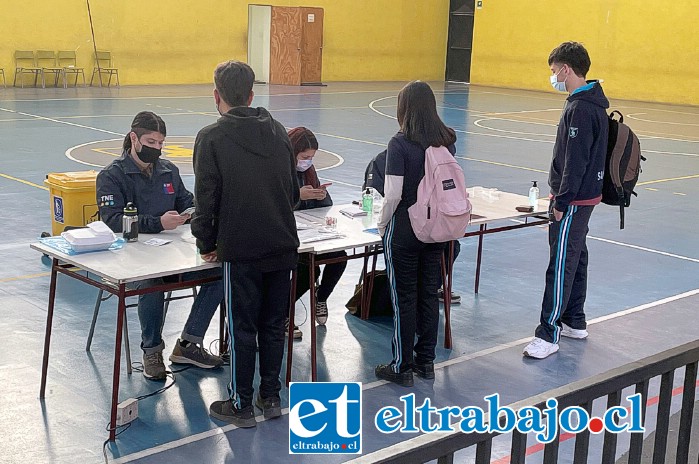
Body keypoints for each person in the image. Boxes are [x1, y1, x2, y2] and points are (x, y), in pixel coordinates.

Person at [191, 61, 299, 427]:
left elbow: (205, 199)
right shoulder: (280, 131)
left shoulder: (211, 138)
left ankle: (241, 403)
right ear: (252, 95)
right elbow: (294, 193)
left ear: (217, 95)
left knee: (242, 328)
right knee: (274, 324)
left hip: (240, 250)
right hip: (282, 244)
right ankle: (271, 397)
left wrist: (206, 241)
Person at [96, 111, 224, 380]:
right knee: (151, 283)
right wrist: (157, 223)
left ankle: (189, 343)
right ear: (134, 138)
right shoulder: (112, 176)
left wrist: (191, 212)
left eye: (160, 143)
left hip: (170, 253)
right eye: (150, 142)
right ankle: (152, 350)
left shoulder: (168, 170)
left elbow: (186, 200)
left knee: (219, 273)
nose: (156, 148)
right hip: (130, 261)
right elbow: (112, 220)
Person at [523, 42, 609, 359]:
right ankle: (575, 319)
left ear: (565, 69)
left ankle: (549, 333)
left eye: (554, 71)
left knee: (560, 263)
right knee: (576, 255)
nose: (554, 78)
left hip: (573, 201)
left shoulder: (581, 109)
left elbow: (575, 162)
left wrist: (561, 201)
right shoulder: (590, 103)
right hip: (584, 197)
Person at [375, 81, 458, 387]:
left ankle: (402, 365)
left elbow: (393, 194)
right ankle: (426, 361)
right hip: (436, 228)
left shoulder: (400, 143)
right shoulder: (447, 140)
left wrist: (383, 225)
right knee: (427, 294)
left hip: (406, 228)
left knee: (403, 297)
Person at [364, 149, 462, 304]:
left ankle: (431, 287)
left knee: (451, 245)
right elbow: (376, 194)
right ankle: (414, 293)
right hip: (398, 222)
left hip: (425, 221)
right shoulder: (385, 159)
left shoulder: (435, 158)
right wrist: (383, 222)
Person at [288, 127, 347, 333]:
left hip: (310, 232)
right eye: (305, 157)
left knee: (339, 257)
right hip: (286, 234)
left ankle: (321, 297)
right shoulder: (278, 172)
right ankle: (283, 312)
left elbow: (324, 207)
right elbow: (273, 206)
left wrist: (321, 195)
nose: (308, 162)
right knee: (308, 269)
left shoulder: (309, 173)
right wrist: (297, 197)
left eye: (311, 157)